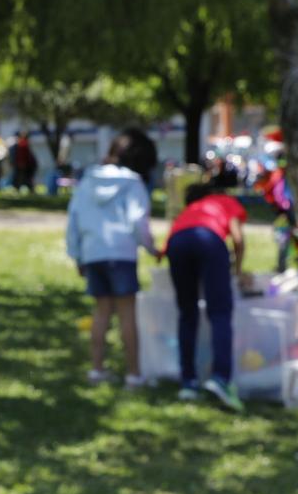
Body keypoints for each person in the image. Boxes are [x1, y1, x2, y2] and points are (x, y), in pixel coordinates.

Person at [65, 128, 157, 387]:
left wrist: (77, 256)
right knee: (127, 313)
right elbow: (139, 222)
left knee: (101, 311)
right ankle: (134, 374)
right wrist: (151, 248)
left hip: (93, 253)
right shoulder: (133, 183)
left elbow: (74, 220)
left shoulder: (86, 181)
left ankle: (96, 369)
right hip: (122, 254)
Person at [163, 182, 247, 410]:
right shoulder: (226, 201)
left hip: (177, 243)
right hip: (210, 241)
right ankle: (221, 378)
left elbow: (167, 248)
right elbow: (238, 240)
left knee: (187, 313)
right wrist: (237, 272)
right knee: (219, 312)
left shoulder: (188, 212)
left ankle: (188, 382)